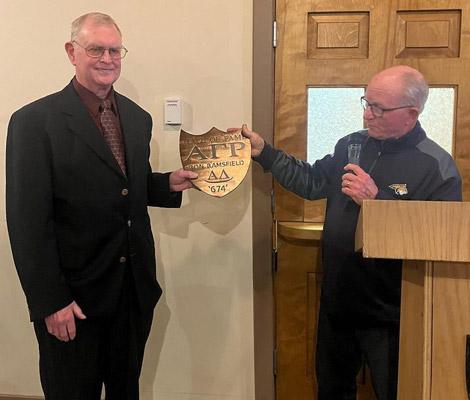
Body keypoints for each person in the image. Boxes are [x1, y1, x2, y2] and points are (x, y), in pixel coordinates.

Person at [236, 65, 462, 400]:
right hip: (338, 304)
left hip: (392, 316)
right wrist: (265, 153)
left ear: (411, 113)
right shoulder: (352, 146)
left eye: (378, 109)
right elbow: (313, 182)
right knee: (332, 391)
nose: (367, 115)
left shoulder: (437, 167)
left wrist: (377, 201)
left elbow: (441, 243)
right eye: (366, 103)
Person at [6, 12, 196, 400]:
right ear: (71, 52)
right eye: (96, 49)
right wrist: (50, 301)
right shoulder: (33, 122)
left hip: (131, 293)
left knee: (126, 391)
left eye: (115, 50)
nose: (107, 59)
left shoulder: (137, 118)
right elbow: (27, 222)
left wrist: (167, 184)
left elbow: (127, 187)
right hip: (72, 300)